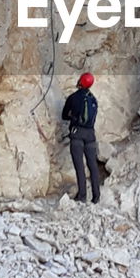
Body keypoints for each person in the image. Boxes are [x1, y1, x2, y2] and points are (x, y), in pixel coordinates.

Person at [62, 72, 100, 204]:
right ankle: (96, 197)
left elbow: (64, 115)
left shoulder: (73, 98)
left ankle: (82, 196)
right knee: (93, 166)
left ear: (80, 82)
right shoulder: (93, 99)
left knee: (80, 166)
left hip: (77, 133)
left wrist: (73, 117)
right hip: (90, 135)